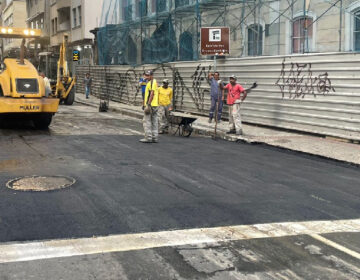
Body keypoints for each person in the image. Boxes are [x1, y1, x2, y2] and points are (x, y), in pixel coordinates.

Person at [140, 70, 159, 143]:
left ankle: (148, 137)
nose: (146, 77)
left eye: (148, 75)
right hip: (154, 105)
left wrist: (147, 104)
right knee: (154, 121)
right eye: (146, 75)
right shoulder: (153, 82)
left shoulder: (152, 82)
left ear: (151, 75)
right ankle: (154, 137)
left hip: (150, 105)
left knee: (146, 121)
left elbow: (152, 94)